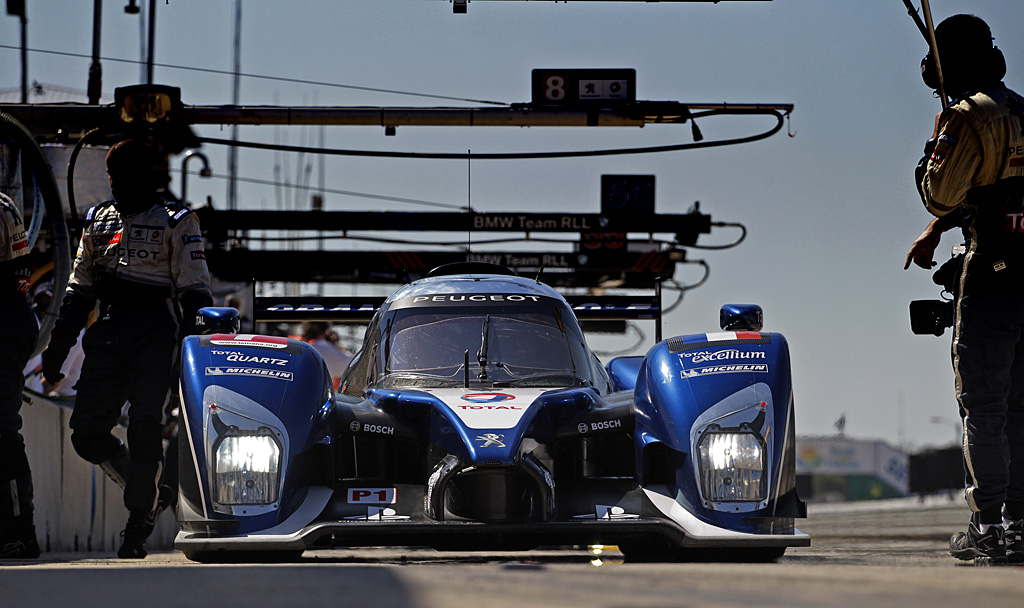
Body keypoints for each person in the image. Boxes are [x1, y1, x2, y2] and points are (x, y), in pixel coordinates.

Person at [41, 139, 212, 559]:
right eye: (113, 177)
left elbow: (195, 295)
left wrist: (188, 361)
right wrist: (56, 350)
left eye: (125, 177)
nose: (116, 184)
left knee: (144, 424)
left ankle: (138, 521)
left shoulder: (178, 221)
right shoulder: (98, 218)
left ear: (149, 178)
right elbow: (78, 291)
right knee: (86, 434)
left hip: (156, 331)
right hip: (109, 329)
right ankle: (148, 491)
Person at [905, 14, 1024, 563]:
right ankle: (1019, 524)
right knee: (1019, 405)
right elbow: (1005, 192)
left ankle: (988, 524)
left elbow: (940, 194)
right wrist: (941, 229)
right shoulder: (1021, 108)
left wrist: (936, 141)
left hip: (993, 273)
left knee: (983, 403)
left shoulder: (967, 117)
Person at [0, 192, 40, 558]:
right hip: (13, 318)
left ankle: (18, 530)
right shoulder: (5, 204)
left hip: (5, 323)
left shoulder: (0, 207)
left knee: (1, 432)